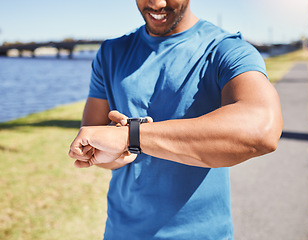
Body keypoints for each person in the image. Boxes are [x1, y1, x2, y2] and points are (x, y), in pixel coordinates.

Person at [68, 0, 283, 239]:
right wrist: (112, 155)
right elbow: (94, 149)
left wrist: (131, 136)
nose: (157, 3)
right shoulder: (111, 53)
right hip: (121, 232)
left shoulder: (226, 50)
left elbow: (262, 129)